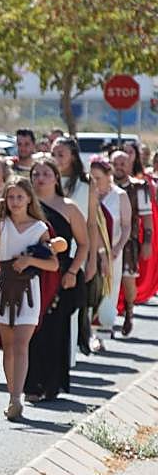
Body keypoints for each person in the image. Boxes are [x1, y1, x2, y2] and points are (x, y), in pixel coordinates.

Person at [0, 178, 59, 420]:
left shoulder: (40, 228)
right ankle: (12, 394)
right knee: (8, 346)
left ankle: (15, 398)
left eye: (20, 197)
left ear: (29, 198)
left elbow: (52, 264)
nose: (15, 202)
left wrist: (30, 261)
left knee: (21, 344)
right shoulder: (2, 224)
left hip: (28, 290)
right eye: (11, 197)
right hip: (4, 287)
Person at [22, 156, 88, 403]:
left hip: (60, 275)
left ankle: (50, 383)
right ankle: (29, 383)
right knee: (29, 329)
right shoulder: (25, 205)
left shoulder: (69, 207)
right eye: (36, 174)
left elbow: (83, 244)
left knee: (53, 329)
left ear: (56, 178)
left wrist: (72, 272)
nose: (40, 178)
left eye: (45, 174)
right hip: (30, 274)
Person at [52, 136, 99, 357]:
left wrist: (93, 259)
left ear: (72, 156)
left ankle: (68, 356)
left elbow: (91, 224)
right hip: (50, 252)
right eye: (54, 154)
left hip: (75, 254)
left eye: (61, 154)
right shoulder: (46, 181)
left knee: (71, 307)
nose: (57, 158)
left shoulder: (86, 184)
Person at [87, 156, 127, 350]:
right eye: (91, 177)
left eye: (98, 178)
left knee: (108, 290)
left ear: (108, 176)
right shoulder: (87, 195)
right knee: (89, 290)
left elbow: (126, 226)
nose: (94, 181)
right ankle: (86, 331)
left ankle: (101, 333)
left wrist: (118, 247)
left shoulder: (119, 196)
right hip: (90, 251)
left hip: (112, 253)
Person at [113, 145, 152, 336]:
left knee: (128, 280)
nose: (119, 167)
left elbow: (147, 216)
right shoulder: (102, 186)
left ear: (130, 165)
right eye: (116, 164)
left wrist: (147, 242)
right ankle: (105, 318)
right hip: (106, 241)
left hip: (129, 242)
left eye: (123, 163)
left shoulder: (139, 187)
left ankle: (129, 311)